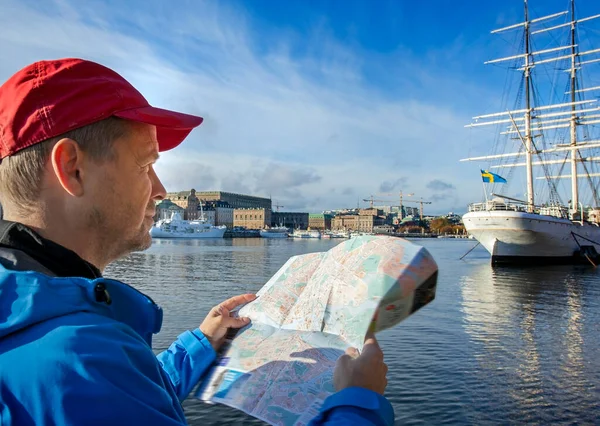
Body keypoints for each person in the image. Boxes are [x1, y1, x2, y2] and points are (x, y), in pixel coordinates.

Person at [0, 58, 393, 425]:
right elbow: (101, 391)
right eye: (145, 166)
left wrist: (201, 344)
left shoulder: (38, 327)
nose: (159, 189)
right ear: (74, 168)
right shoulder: (80, 362)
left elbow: (131, 400)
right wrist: (359, 400)